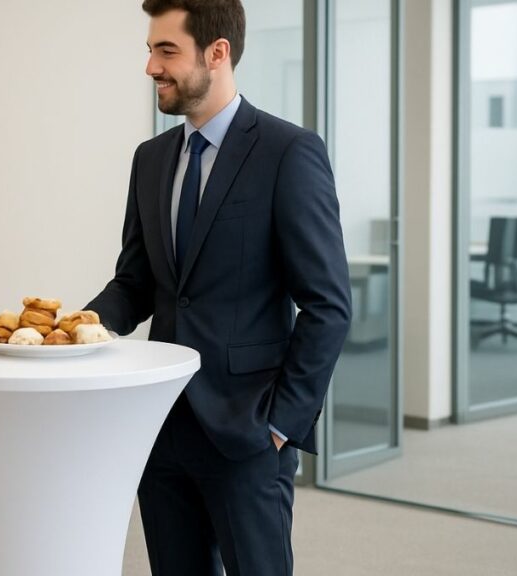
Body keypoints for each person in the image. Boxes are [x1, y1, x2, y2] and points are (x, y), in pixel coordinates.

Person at [85, 1, 351, 574]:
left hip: (249, 433)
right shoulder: (151, 159)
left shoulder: (288, 152)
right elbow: (136, 283)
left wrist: (281, 425)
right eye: (150, 50)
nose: (151, 66)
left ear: (218, 52)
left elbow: (328, 305)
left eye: (166, 50)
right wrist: (74, 328)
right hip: (160, 425)